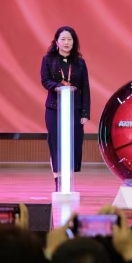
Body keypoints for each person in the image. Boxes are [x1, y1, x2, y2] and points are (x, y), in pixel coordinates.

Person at [40, 26, 90, 191]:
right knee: (55, 143)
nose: (66, 42)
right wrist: (58, 87)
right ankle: (58, 179)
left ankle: (68, 179)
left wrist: (85, 113)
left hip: (74, 109)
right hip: (54, 108)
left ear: (74, 42)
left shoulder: (80, 62)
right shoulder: (48, 59)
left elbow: (85, 88)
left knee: (73, 143)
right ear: (56, 41)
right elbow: (45, 80)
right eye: (63, 39)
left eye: (69, 39)